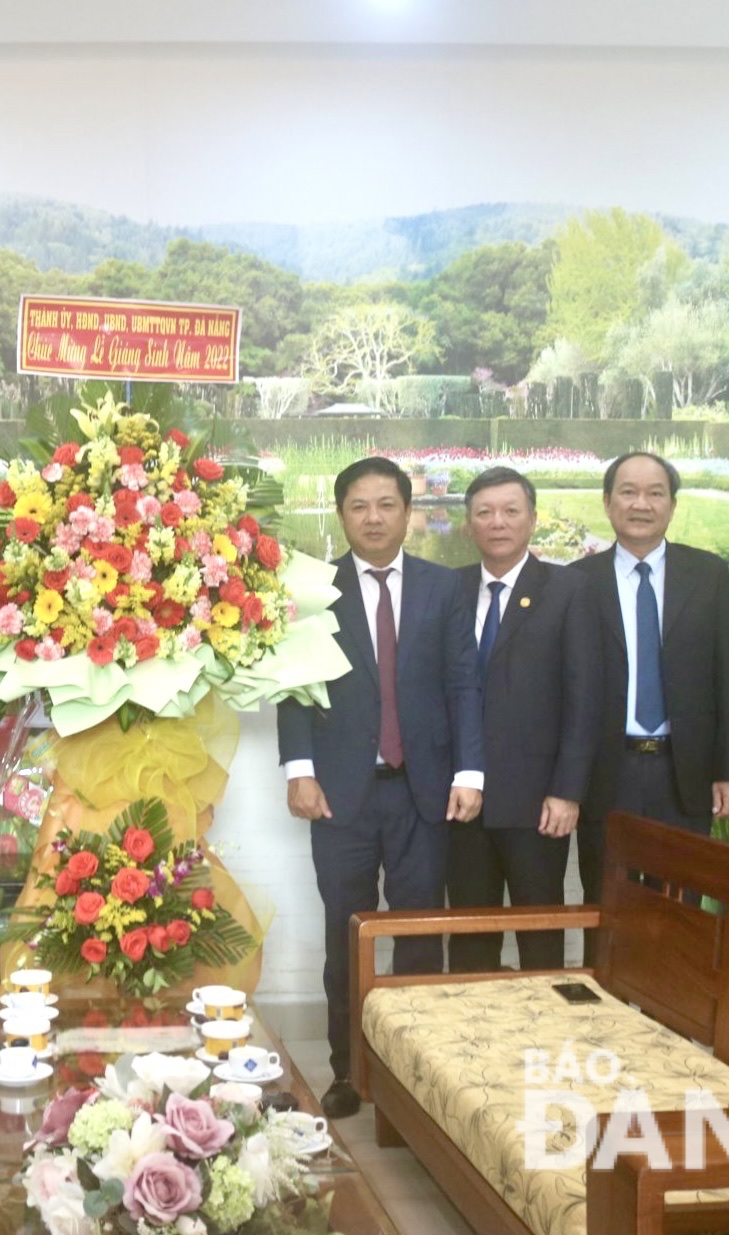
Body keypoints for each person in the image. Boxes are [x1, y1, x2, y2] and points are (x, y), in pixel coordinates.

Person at [278, 456, 484, 1120]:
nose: (373, 516)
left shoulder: (443, 588)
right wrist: (298, 771)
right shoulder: (312, 589)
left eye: (386, 503)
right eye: (359, 505)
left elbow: (462, 683)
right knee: (348, 935)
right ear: (341, 514)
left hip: (423, 791)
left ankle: (413, 1080)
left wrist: (469, 772)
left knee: (419, 935)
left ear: (407, 511)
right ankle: (348, 1069)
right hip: (339, 793)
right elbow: (293, 686)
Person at [570, 453, 729, 933]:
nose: (641, 504)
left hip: (682, 772)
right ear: (607, 503)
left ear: (672, 504)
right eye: (628, 492)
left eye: (655, 493)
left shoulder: (707, 575)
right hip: (610, 773)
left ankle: (670, 1008)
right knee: (607, 907)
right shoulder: (577, 582)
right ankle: (606, 1005)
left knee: (680, 910)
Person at [447, 468, 599, 974]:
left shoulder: (568, 589)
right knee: (469, 942)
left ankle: (542, 1047)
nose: (498, 522)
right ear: (468, 524)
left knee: (539, 938)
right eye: (485, 512)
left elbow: (584, 698)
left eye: (511, 511)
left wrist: (568, 791)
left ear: (533, 519)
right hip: (463, 804)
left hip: (538, 804)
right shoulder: (451, 589)